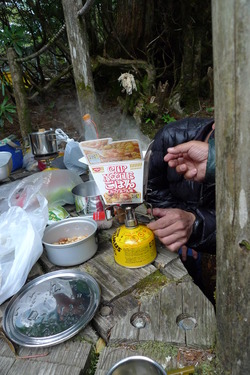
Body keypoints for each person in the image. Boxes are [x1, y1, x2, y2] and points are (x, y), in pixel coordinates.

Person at [146, 118, 215, 291]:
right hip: (179, 238)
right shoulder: (171, 136)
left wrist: (194, 226)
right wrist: (176, 226)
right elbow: (154, 187)